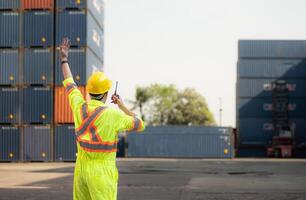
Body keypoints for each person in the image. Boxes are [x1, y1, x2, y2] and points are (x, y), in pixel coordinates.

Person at [59, 38, 145, 200]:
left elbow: (70, 83)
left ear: (90, 92)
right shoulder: (113, 115)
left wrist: (64, 58)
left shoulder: (79, 106)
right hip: (102, 174)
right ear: (106, 94)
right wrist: (121, 106)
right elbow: (140, 124)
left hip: (81, 172)